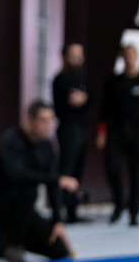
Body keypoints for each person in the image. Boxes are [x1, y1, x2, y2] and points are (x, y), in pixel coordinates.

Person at [0, 100, 77, 262]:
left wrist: (58, 221)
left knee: (59, 249)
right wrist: (57, 179)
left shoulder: (47, 145)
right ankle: (13, 246)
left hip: (25, 210)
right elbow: (17, 175)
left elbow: (53, 185)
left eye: (50, 120)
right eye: (43, 120)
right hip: (1, 206)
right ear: (30, 119)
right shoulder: (10, 140)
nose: (47, 126)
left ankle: (3, 241)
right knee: (28, 191)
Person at [96, 44, 139, 226]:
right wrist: (101, 132)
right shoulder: (113, 81)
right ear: (122, 57)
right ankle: (119, 203)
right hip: (117, 132)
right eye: (126, 55)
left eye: (132, 55)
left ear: (137, 57)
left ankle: (134, 212)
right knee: (112, 167)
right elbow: (104, 110)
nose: (129, 59)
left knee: (137, 173)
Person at [52, 42, 90, 222]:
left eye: (79, 55)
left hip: (82, 129)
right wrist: (74, 101)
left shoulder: (83, 78)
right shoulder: (59, 79)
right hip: (68, 129)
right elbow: (59, 109)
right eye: (73, 55)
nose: (76, 59)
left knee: (77, 172)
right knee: (66, 171)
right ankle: (57, 213)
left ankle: (72, 212)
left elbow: (93, 99)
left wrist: (85, 99)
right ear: (65, 57)